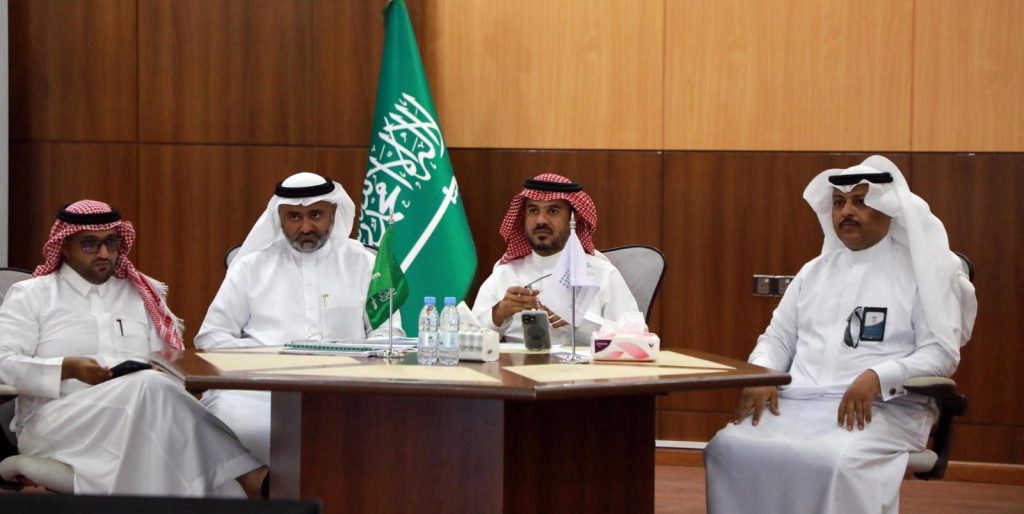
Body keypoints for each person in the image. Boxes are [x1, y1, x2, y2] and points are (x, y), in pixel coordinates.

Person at [703, 156, 977, 514]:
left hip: (882, 410)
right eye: (838, 203)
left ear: (888, 208)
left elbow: (940, 354)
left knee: (836, 460)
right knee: (727, 447)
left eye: (860, 201)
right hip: (798, 403)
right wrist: (763, 373)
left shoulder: (921, 275)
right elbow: (777, 339)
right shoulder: (813, 273)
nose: (846, 211)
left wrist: (879, 376)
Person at [0, 200, 266, 497]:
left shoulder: (141, 293)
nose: (104, 254)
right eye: (89, 244)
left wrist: (173, 376)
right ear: (64, 246)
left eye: (111, 243)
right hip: (58, 420)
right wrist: (68, 369)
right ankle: (250, 475)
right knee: (149, 390)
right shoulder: (32, 295)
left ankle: (235, 486)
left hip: (141, 414)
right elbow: (4, 363)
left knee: (161, 415)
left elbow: (168, 363)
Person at [196, 172, 403, 463]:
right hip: (261, 391)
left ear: (333, 212)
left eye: (316, 215)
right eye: (294, 217)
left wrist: (349, 362)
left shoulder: (365, 264)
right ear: (279, 218)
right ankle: (261, 488)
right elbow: (211, 336)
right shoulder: (250, 267)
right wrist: (270, 357)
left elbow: (390, 336)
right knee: (226, 418)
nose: (305, 227)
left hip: (346, 390)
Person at [471, 173, 639, 345]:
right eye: (533, 210)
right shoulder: (505, 273)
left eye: (553, 211)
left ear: (573, 218)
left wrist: (584, 323)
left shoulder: (601, 273)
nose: (541, 220)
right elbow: (468, 339)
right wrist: (499, 313)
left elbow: (639, 338)